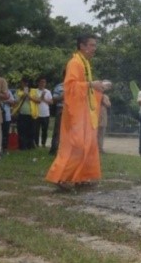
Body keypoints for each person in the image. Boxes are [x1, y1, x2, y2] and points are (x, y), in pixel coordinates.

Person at [45, 34, 112, 190]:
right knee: (76, 146)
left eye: (95, 45)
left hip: (85, 114)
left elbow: (86, 88)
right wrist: (91, 84)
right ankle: (62, 179)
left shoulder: (85, 64)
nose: (95, 49)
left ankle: (83, 177)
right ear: (82, 46)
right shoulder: (75, 63)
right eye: (92, 45)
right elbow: (70, 88)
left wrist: (99, 86)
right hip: (75, 115)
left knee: (89, 145)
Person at [12, 77, 40, 150]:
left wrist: (29, 96)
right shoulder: (18, 91)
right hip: (21, 115)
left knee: (31, 131)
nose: (24, 84)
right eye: (23, 83)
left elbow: (38, 101)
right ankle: (22, 147)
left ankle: (30, 146)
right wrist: (22, 97)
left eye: (26, 83)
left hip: (32, 114)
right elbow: (14, 103)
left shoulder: (33, 91)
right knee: (22, 131)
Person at [48, 73, 64, 156]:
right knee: (58, 130)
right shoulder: (59, 86)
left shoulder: (76, 85)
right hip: (61, 109)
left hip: (72, 110)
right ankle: (54, 149)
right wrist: (62, 97)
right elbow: (54, 99)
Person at [35, 77, 53, 148]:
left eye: (44, 82)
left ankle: (43, 143)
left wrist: (44, 98)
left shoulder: (48, 91)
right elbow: (36, 101)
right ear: (38, 83)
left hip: (45, 114)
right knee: (36, 130)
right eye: (41, 82)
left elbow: (51, 102)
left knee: (45, 130)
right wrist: (41, 96)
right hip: (37, 113)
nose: (43, 84)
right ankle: (36, 144)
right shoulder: (35, 91)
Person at [1, 85, 16, 151]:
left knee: (5, 132)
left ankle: (5, 147)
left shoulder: (8, 92)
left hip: (6, 115)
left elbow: (13, 102)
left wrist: (5, 101)